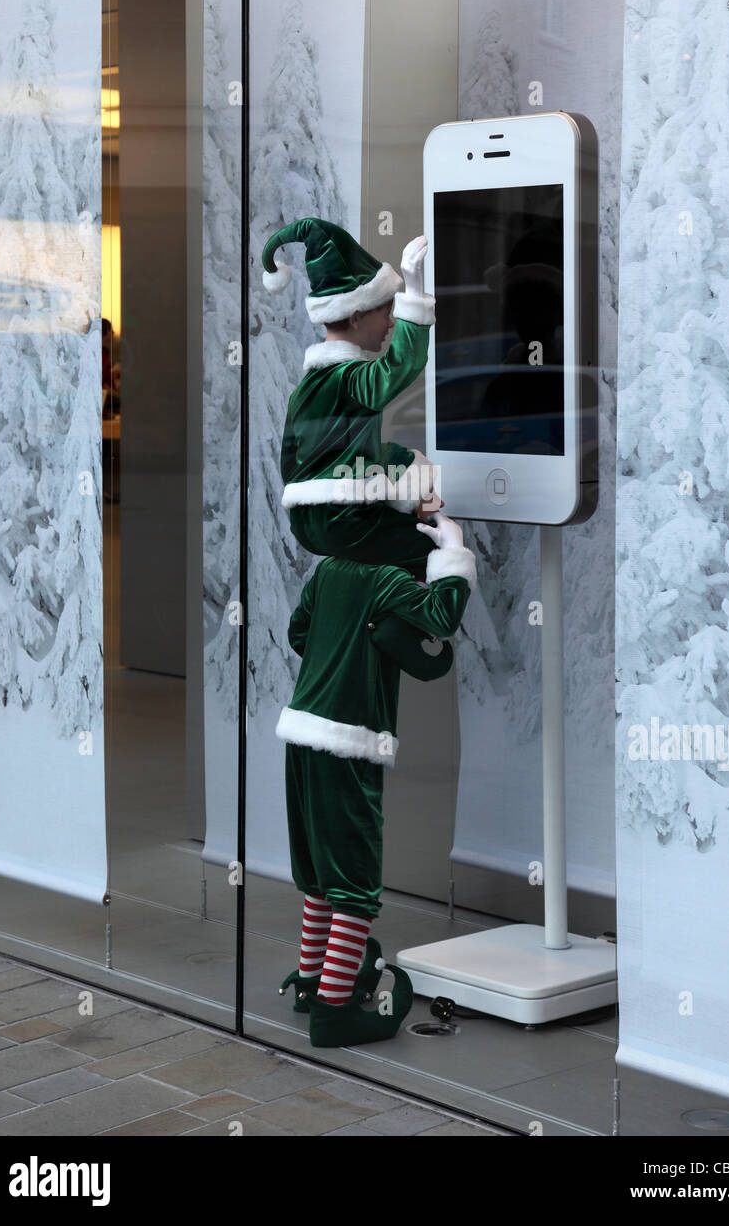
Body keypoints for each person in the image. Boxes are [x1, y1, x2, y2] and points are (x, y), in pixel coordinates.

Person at [275, 504, 476, 1047]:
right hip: (349, 743)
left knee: (320, 877)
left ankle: (312, 983)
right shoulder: (386, 579)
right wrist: (452, 548)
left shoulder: (329, 571)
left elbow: (300, 634)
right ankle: (334, 1012)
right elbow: (442, 616)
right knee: (356, 886)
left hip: (302, 735)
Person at [263, 217, 440, 577]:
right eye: (385, 311)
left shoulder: (307, 390)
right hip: (344, 519)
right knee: (436, 551)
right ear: (357, 316)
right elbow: (401, 364)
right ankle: (393, 626)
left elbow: (321, 456)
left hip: (308, 524)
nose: (391, 323)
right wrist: (415, 291)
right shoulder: (351, 379)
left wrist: (407, 465)